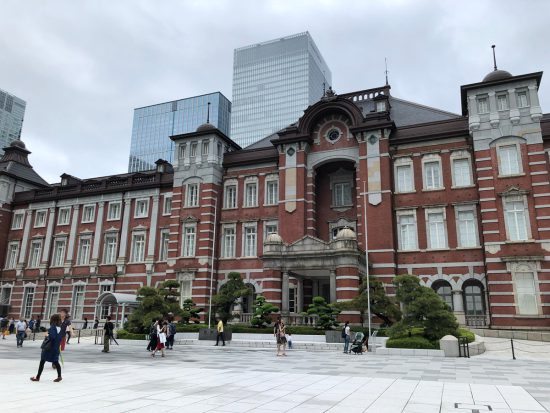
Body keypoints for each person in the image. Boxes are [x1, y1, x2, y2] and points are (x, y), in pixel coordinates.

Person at [30, 313, 63, 382]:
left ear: (53, 320)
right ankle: (59, 376)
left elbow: (52, 337)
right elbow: (59, 337)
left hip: (49, 348)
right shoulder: (60, 328)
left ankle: (37, 377)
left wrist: (47, 335)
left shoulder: (53, 328)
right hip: (56, 348)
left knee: (42, 361)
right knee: (56, 362)